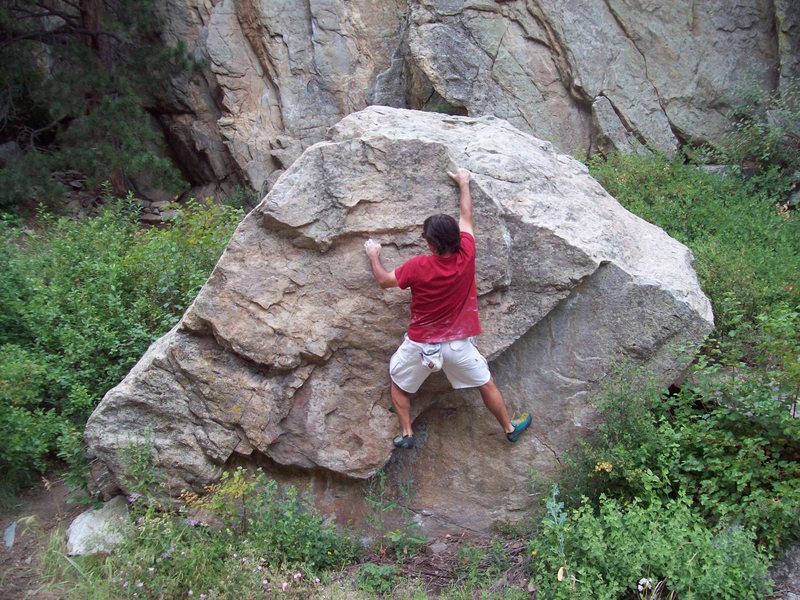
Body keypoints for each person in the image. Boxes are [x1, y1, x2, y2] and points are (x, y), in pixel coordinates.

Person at [363, 167, 531, 449]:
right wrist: (464, 183)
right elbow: (467, 216)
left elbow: (383, 281)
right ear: (454, 237)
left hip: (420, 345)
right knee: (486, 384)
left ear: (431, 243)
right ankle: (509, 427)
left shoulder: (417, 266)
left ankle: (407, 433)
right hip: (457, 346)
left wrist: (374, 255)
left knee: (397, 382)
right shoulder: (466, 253)